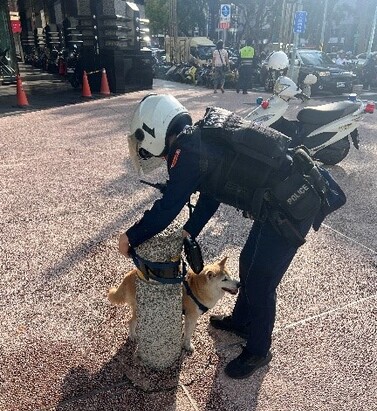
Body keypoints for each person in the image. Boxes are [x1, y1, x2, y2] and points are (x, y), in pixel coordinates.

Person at [121, 93, 345, 380]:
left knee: (261, 281)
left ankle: (259, 350)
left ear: (153, 130)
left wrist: (131, 236)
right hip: (276, 203)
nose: (155, 155)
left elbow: (167, 208)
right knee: (249, 261)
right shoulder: (199, 138)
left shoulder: (186, 154)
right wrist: (190, 230)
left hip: (292, 206)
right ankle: (241, 321)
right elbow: (212, 192)